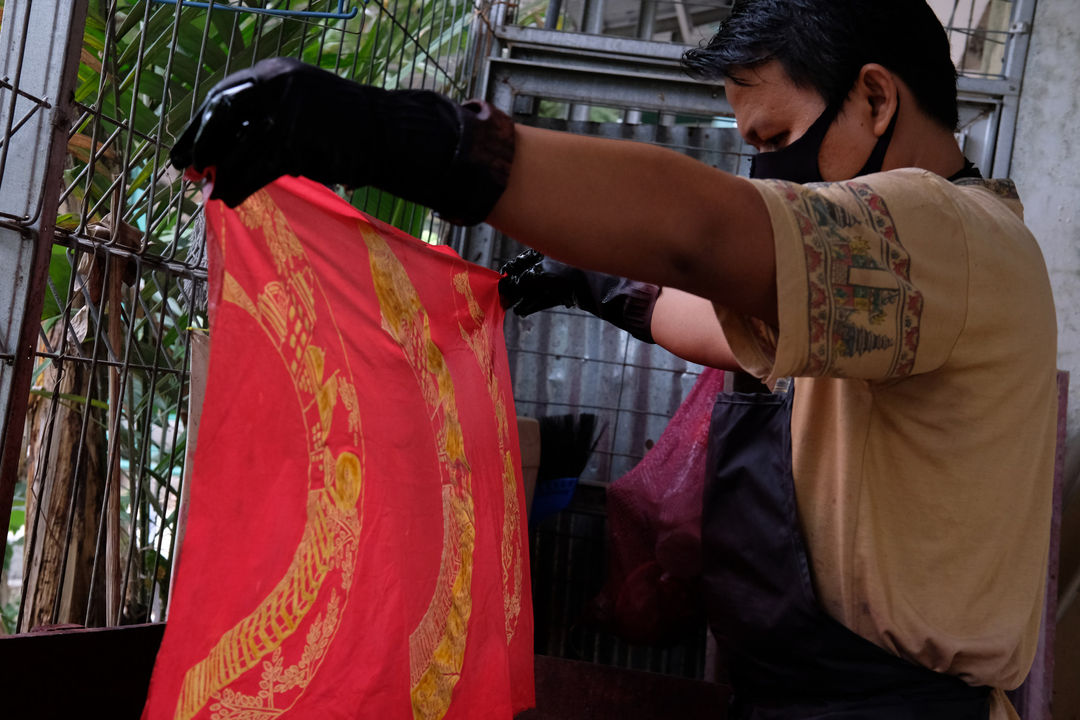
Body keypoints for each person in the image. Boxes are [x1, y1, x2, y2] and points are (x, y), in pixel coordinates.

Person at [169, 1, 1057, 717]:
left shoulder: (944, 232)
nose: (766, 179)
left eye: (771, 139)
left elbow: (700, 234)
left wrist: (410, 137)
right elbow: (705, 316)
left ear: (874, 99)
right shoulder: (892, 289)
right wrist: (589, 282)